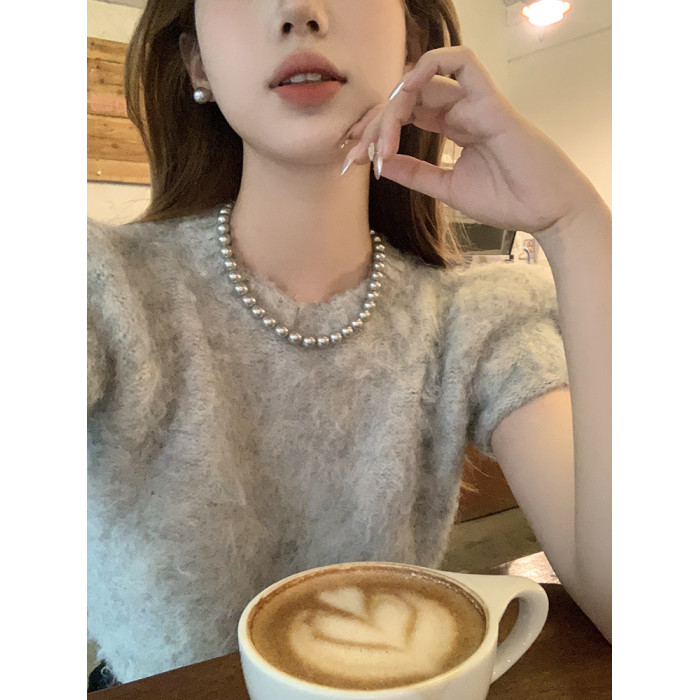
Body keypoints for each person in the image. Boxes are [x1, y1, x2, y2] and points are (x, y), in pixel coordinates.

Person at [87, 0, 611, 688]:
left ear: (412, 46)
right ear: (197, 64)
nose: (299, 10)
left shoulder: (478, 318)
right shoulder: (98, 288)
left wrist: (576, 225)